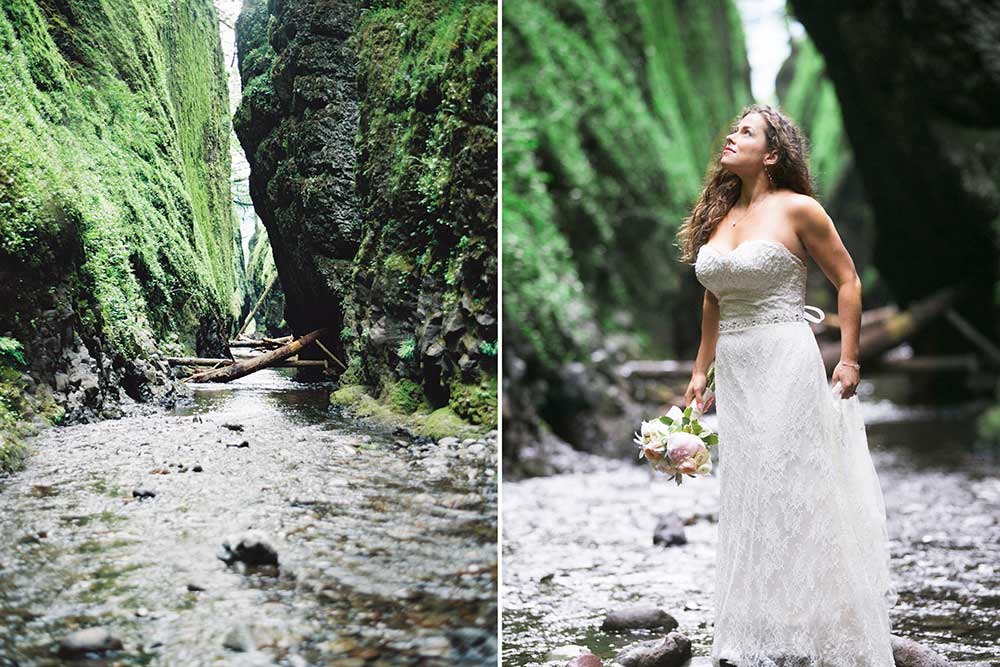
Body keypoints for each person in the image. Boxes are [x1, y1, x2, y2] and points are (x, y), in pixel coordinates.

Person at [675, 104, 898, 666]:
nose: (731, 136)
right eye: (732, 129)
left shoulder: (800, 209)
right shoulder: (719, 215)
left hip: (784, 357)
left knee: (790, 482)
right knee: (748, 490)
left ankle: (817, 627)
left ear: (772, 153)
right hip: (739, 368)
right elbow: (712, 298)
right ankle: (755, 631)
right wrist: (702, 370)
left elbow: (847, 280)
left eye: (745, 132)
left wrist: (849, 360)